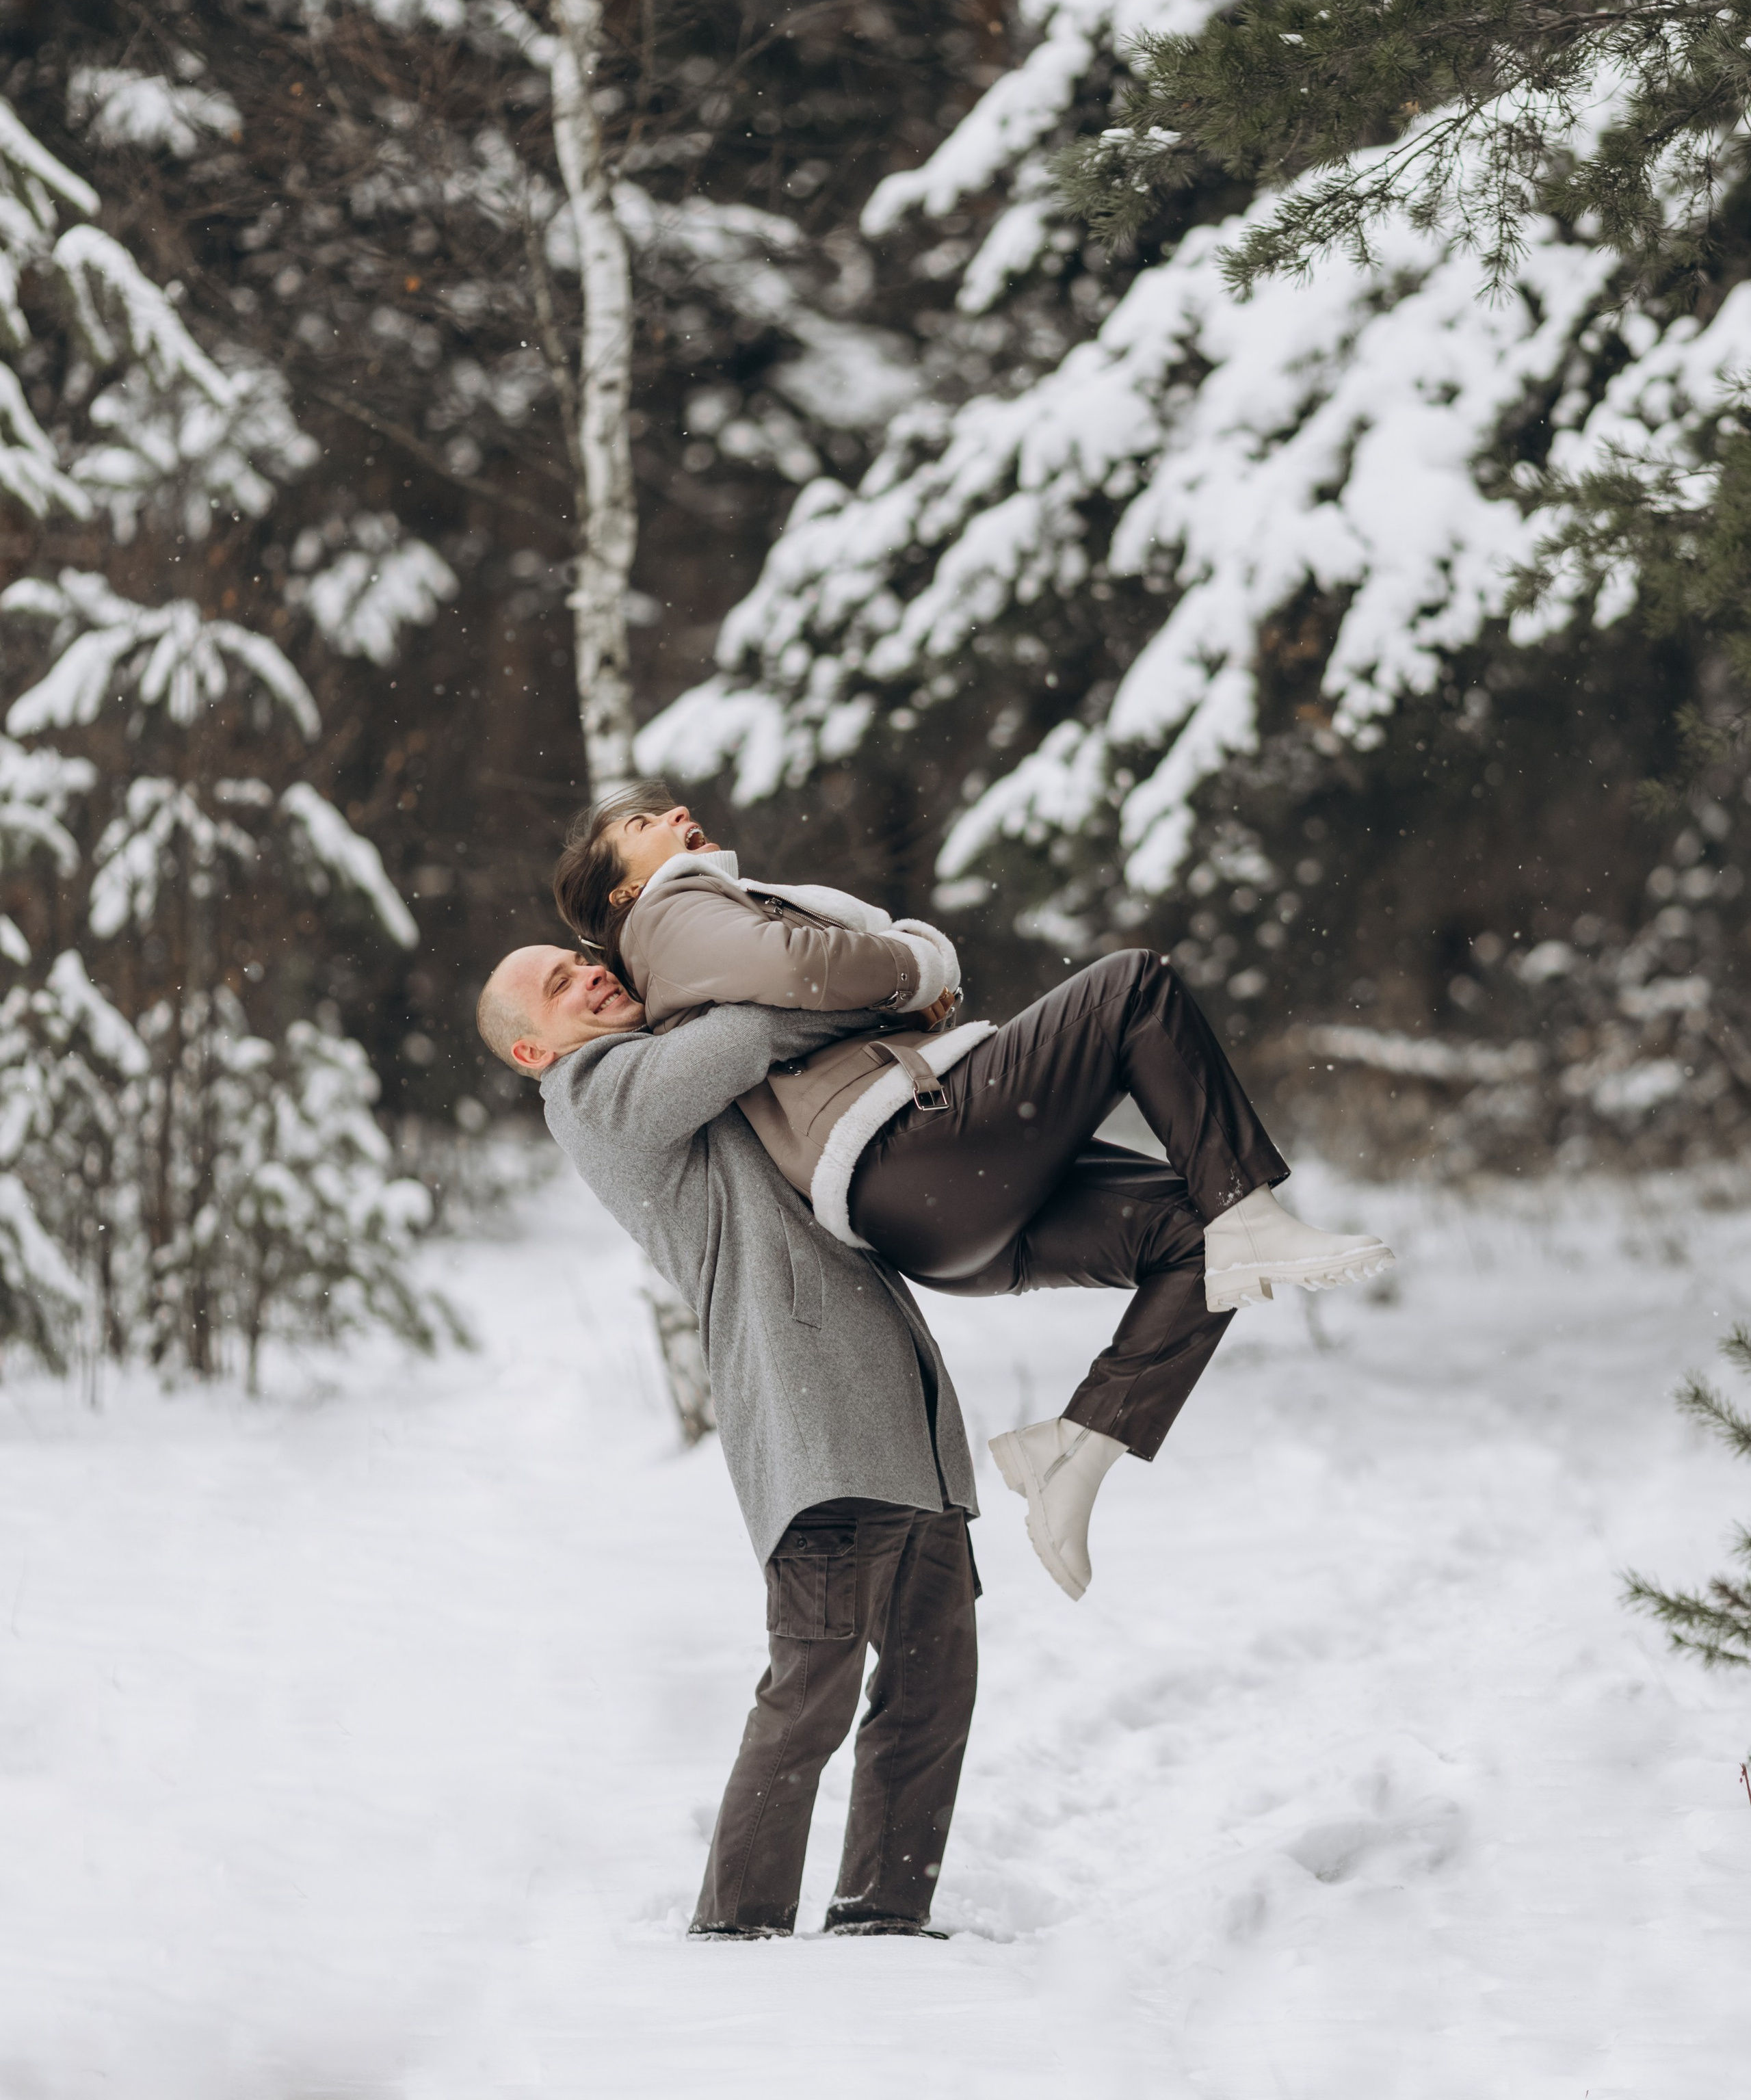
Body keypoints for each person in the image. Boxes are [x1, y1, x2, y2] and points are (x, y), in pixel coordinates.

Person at [545, 784, 1395, 1601]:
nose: (677, 814)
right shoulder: (668, 912)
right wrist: (915, 967)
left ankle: (1077, 1451)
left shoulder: (688, 938)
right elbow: (797, 969)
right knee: (1134, 987)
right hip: (913, 1146)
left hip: (927, 1216)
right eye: (647, 822)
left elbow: (793, 1000)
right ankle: (1251, 1210)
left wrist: (890, 1000)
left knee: (1194, 1243)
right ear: (624, 886)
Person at [473, 950, 979, 1942]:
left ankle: (884, 1915)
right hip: (815, 1427)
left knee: (932, 1685)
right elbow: (753, 1031)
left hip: (894, 1420)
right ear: (535, 1049)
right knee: (811, 1694)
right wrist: (886, 986)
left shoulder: (664, 1062)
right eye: (558, 985)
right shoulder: (593, 1093)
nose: (587, 975)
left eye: (581, 960)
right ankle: (733, 1933)